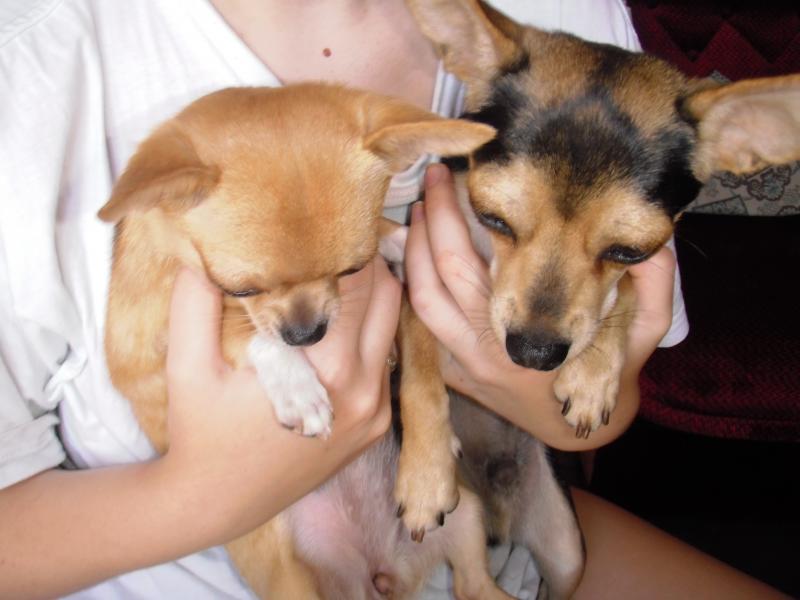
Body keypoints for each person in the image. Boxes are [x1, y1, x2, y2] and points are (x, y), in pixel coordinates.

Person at [0, 0, 786, 598]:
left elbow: (592, 419)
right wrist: (198, 499)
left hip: (491, 542)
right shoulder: (36, 66)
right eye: (501, 216)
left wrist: (537, 377)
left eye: (621, 247)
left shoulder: (569, 29)